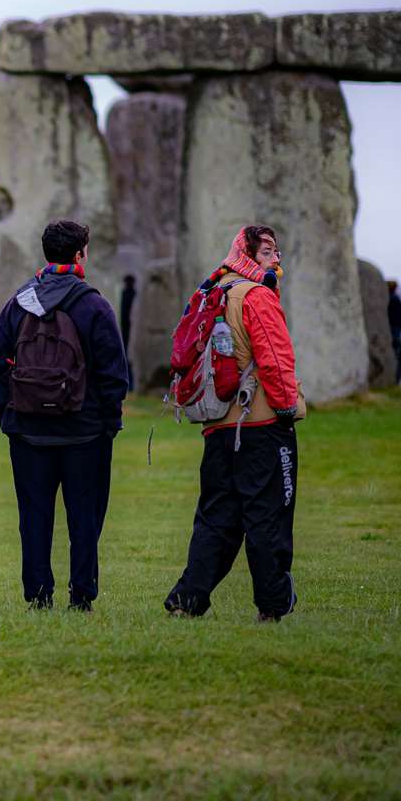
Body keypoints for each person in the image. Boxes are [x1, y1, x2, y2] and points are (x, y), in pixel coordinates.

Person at [165, 224, 306, 622]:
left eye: (277, 251)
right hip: (260, 426)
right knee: (267, 516)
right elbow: (276, 360)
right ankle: (274, 605)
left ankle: (187, 600)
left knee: (216, 518)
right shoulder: (256, 295)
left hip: (218, 426)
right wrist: (286, 408)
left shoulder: (212, 292)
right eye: (267, 252)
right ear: (246, 254)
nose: (276, 258)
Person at [0, 220, 129, 611]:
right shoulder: (94, 305)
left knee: (33, 518)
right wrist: (108, 423)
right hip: (85, 435)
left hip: (29, 432)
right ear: (81, 253)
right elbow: (114, 374)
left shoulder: (19, 302)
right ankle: (81, 595)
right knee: (85, 520)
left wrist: (9, 415)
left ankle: (37, 595)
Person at [119, 274, 137, 353]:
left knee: (129, 339)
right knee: (125, 339)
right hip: (125, 320)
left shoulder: (133, 293)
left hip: (130, 319)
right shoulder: (125, 292)